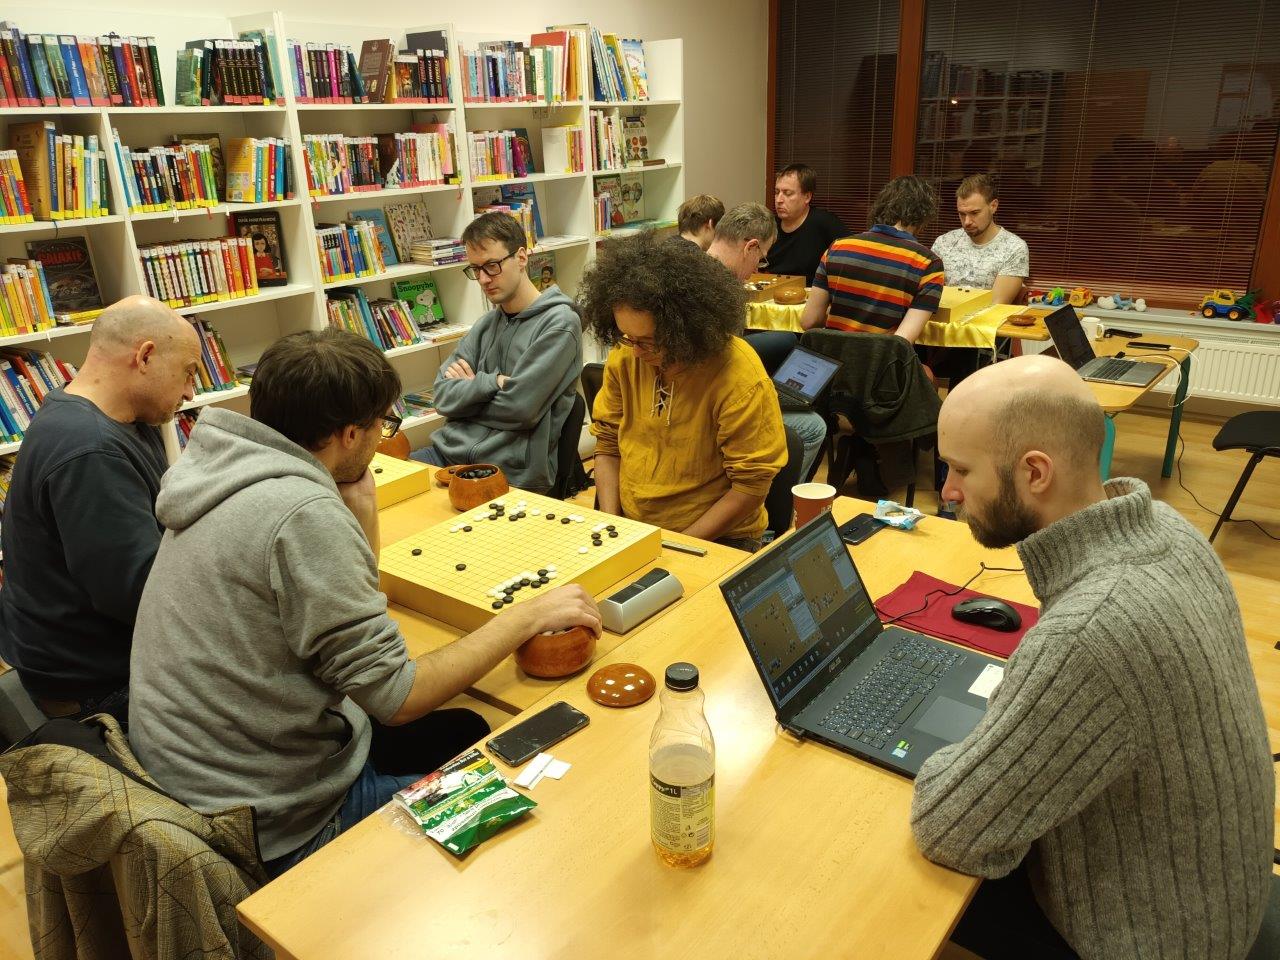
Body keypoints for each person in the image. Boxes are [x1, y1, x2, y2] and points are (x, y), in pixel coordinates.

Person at [129, 329, 601, 877]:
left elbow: (350, 607)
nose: (383, 436)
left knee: (468, 728)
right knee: (537, 803)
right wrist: (527, 615)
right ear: (349, 433)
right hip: (278, 820)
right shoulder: (300, 512)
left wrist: (359, 508)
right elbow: (398, 697)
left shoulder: (224, 467)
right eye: (382, 423)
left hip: (193, 777)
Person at [913, 355, 1273, 959]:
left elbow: (950, 828)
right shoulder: (1168, 529)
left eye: (961, 469)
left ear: (1035, 472)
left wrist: (958, 748)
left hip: (1158, 940)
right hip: (1218, 896)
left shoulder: (1089, 631)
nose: (947, 491)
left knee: (881, 865)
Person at [0, 296, 201, 725]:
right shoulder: (89, 449)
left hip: (92, 655)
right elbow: (141, 595)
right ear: (145, 356)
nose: (190, 392)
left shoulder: (116, 415)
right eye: (188, 372)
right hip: (96, 685)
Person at [582, 232, 786, 552]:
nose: (635, 351)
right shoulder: (626, 356)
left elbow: (750, 488)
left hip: (718, 538)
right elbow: (608, 445)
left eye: (648, 341)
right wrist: (613, 525)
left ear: (686, 330)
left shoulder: (738, 376)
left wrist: (674, 547)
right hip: (634, 529)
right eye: (627, 337)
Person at [411, 213, 582, 494]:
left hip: (508, 473)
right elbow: (441, 396)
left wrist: (468, 396)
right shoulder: (486, 325)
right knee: (381, 488)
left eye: (492, 266)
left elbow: (520, 409)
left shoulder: (560, 324)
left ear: (522, 257)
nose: (483, 279)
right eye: (475, 269)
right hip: (447, 455)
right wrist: (493, 383)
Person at [707, 202, 827, 482]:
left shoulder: (691, 272)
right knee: (813, 426)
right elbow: (727, 376)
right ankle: (769, 500)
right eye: (761, 259)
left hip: (697, 400)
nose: (755, 270)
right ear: (750, 247)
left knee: (785, 341)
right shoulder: (726, 293)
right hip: (716, 412)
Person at [800, 175, 944, 344]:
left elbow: (809, 321)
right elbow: (900, 343)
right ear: (924, 216)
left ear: (881, 207)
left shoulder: (837, 248)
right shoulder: (928, 264)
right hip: (880, 359)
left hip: (829, 356)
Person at [930, 173, 1029, 305]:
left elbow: (996, 305)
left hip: (985, 317)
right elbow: (928, 295)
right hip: (942, 315)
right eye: (962, 214)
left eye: (974, 213)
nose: (967, 222)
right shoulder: (943, 242)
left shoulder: (1014, 247)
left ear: (993, 206)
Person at [764, 163, 849, 285]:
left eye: (787, 193)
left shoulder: (825, 222)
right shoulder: (769, 225)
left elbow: (851, 258)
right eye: (777, 192)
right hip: (773, 289)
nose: (779, 200)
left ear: (807, 197)